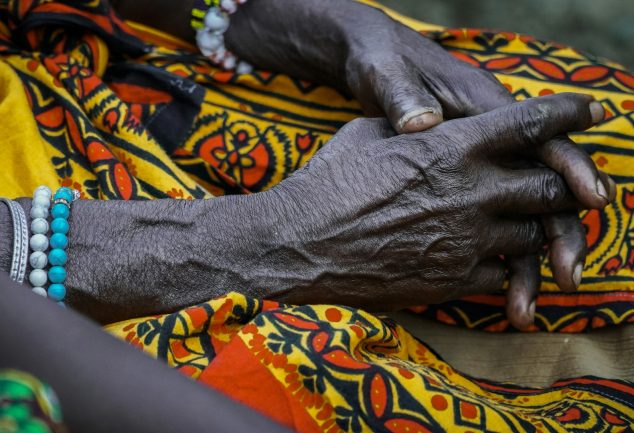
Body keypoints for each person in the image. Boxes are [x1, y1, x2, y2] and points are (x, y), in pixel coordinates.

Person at [0, 0, 632, 432]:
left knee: (595, 151)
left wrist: (283, 17)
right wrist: (261, 241)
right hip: (48, 301)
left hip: (122, 64)